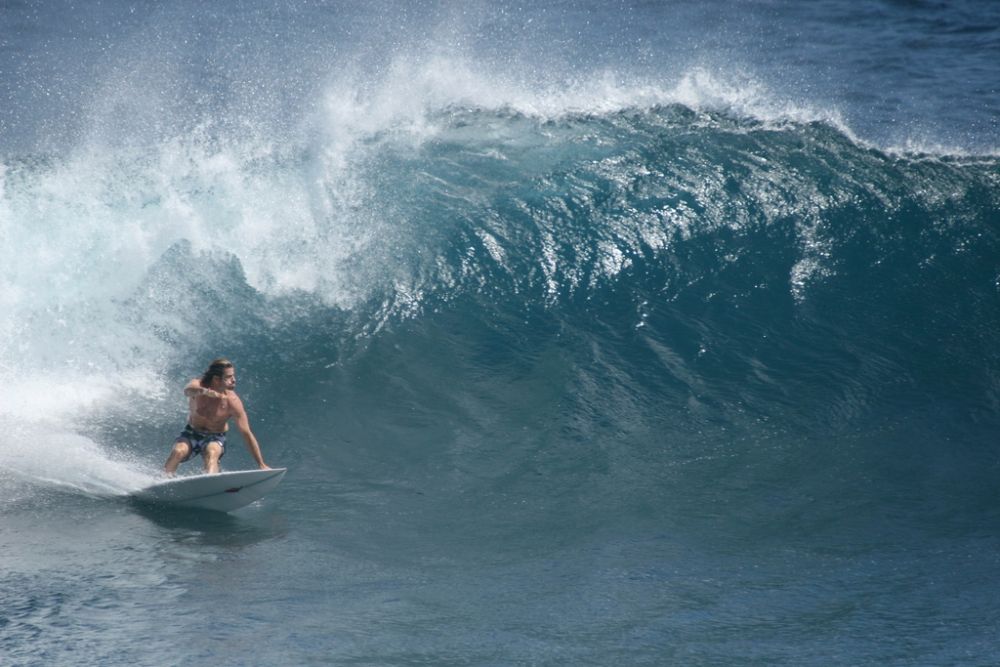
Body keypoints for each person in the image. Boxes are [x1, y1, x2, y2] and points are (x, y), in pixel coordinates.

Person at [164, 358, 270, 475]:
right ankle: (165, 480)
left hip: (215, 437)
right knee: (178, 451)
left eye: (233, 376)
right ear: (216, 379)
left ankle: (210, 481)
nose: (234, 380)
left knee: (212, 452)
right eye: (229, 377)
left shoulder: (232, 402)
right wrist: (204, 392)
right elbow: (188, 391)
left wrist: (261, 464)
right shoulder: (198, 385)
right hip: (191, 432)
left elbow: (246, 433)